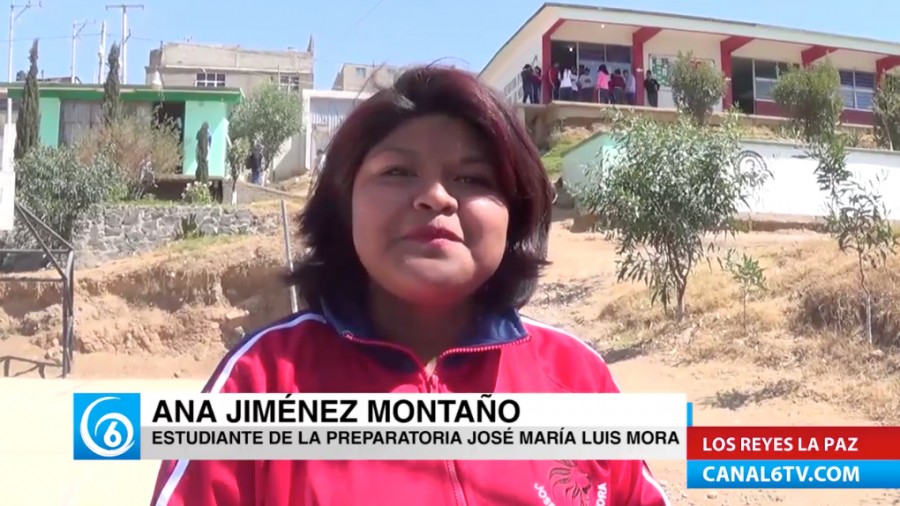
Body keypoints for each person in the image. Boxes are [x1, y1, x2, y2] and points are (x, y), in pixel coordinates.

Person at [148, 65, 671, 506]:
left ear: (516, 213)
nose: (436, 198)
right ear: (344, 203)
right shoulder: (259, 382)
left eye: (472, 179)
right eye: (397, 172)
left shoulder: (578, 379)